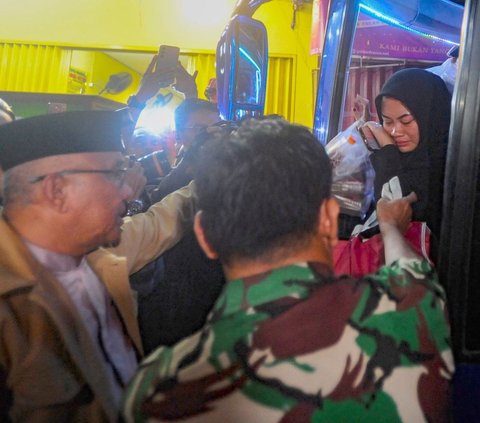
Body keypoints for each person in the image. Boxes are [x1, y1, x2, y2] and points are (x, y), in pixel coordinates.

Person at [122, 118, 454, 422]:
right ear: (328, 219)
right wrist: (391, 229)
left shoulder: (159, 387)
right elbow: (411, 268)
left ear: (205, 237)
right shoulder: (413, 310)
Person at [0, 110, 195, 422]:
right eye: (116, 174)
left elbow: (160, 224)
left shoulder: (93, 257)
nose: (129, 190)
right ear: (56, 190)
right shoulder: (9, 304)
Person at [362, 68, 452, 242]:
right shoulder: (400, 158)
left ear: (431, 118)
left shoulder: (446, 171)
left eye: (406, 121)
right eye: (387, 121)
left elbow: (392, 211)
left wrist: (388, 149)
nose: (395, 131)